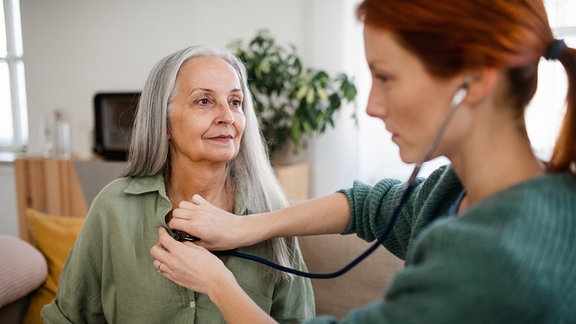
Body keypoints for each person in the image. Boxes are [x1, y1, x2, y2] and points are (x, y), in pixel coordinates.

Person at [149, 0, 576, 323]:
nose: (371, 106)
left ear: (478, 77)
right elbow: (369, 206)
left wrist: (216, 282)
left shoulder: (494, 259)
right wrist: (246, 227)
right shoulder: (458, 188)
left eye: (386, 77)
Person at [42, 45, 315, 323]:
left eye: (235, 102)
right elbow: (67, 318)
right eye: (204, 101)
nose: (227, 116)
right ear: (164, 121)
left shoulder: (270, 215)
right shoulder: (113, 208)